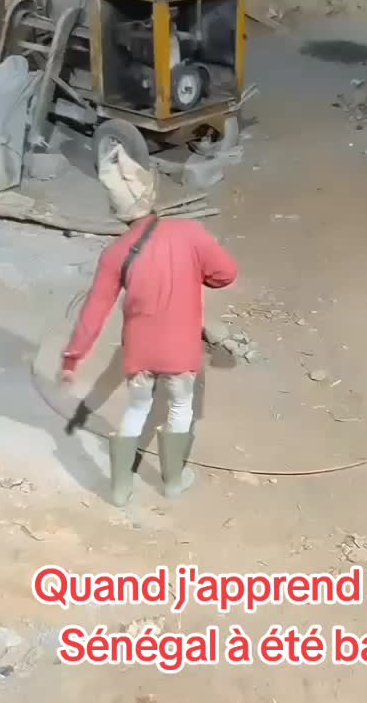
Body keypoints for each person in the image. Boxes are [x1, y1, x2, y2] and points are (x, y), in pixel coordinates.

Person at [60, 207, 238, 507]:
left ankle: (120, 490)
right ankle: (173, 483)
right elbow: (226, 274)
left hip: (138, 351)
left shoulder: (116, 251)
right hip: (180, 349)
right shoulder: (188, 232)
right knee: (180, 406)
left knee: (136, 407)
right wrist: (198, 274)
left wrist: (72, 358)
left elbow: (94, 310)